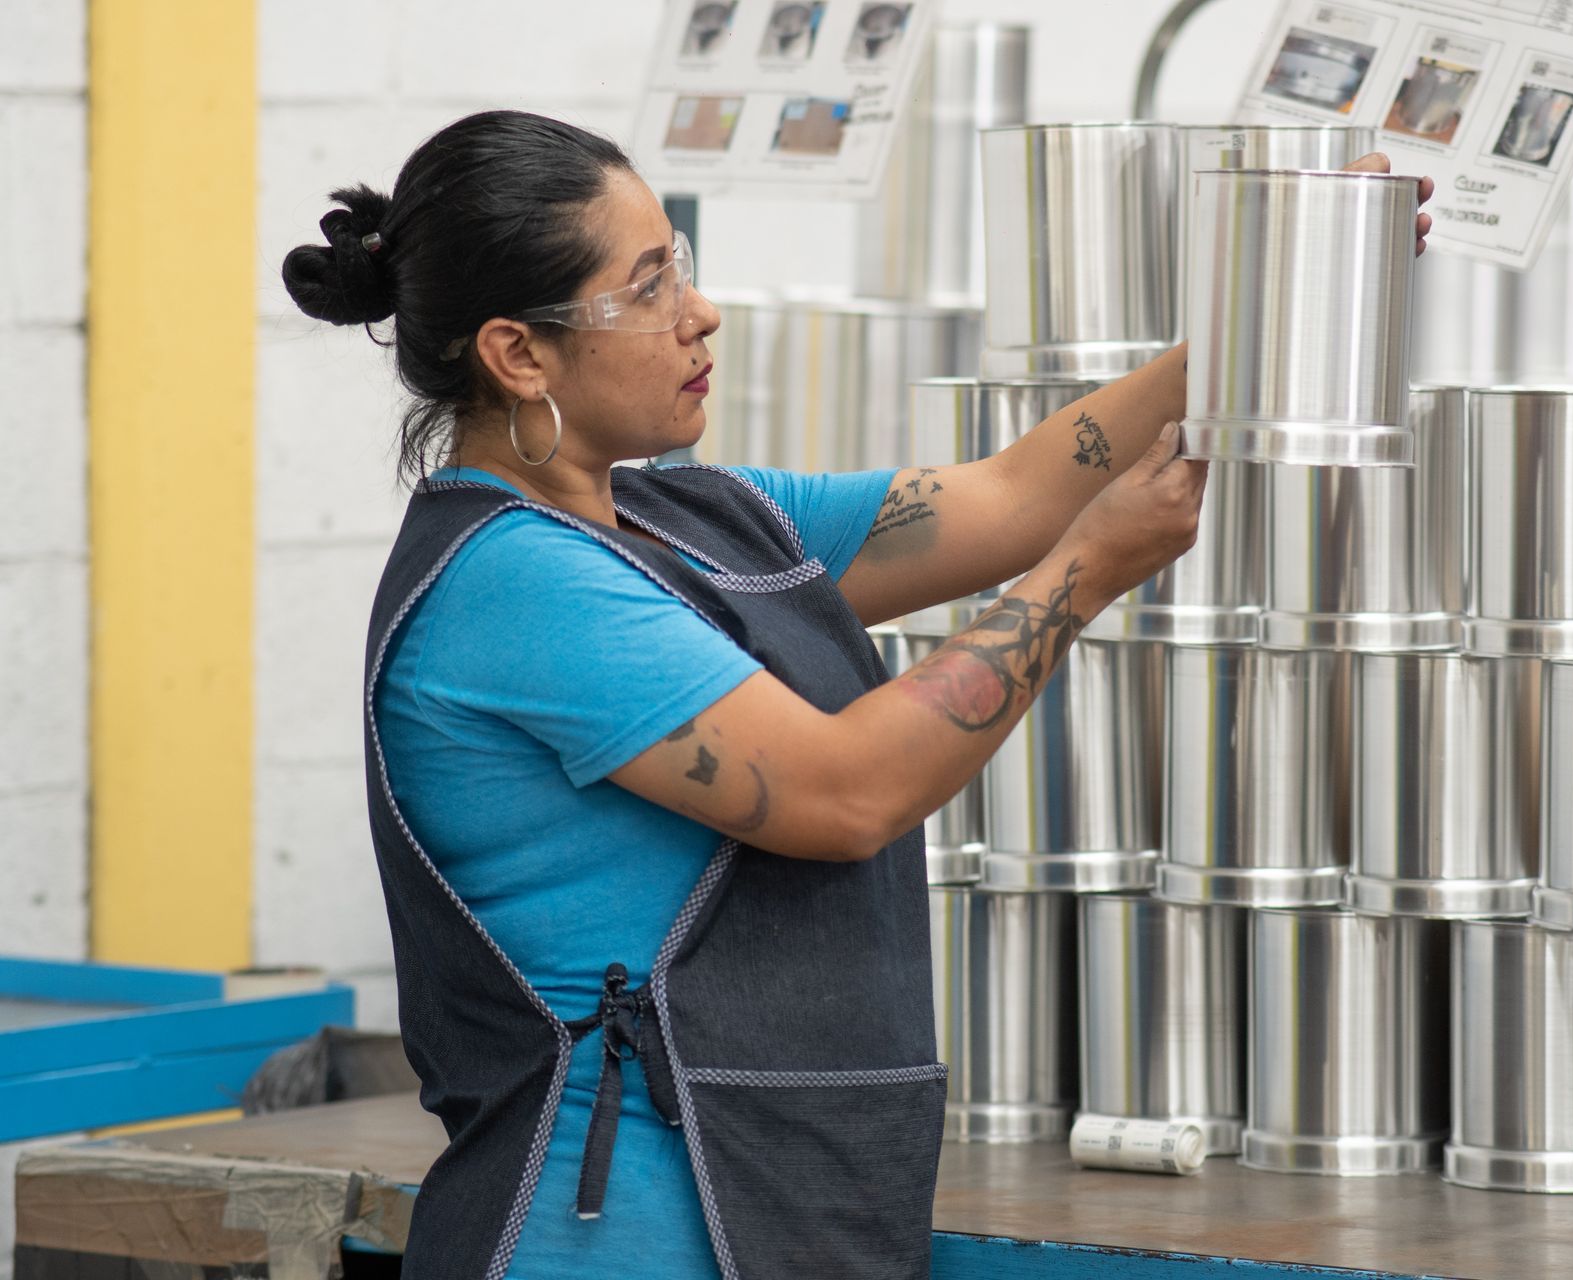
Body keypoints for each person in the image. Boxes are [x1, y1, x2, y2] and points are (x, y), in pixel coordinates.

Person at [282, 109, 1431, 1280]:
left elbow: (1013, 494)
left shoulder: (700, 516)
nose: (700, 312)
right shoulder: (513, 582)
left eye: (681, 263)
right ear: (518, 354)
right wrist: (1085, 574)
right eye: (645, 288)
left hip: (789, 1202)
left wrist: (1274, 301)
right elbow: (848, 790)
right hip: (619, 1232)